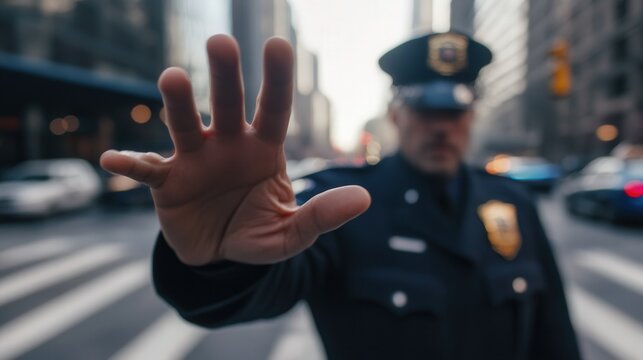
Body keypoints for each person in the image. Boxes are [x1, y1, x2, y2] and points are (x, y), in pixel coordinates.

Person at [100, 31, 581, 360]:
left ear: (472, 116)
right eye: (423, 109)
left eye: (454, 112)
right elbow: (265, 286)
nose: (441, 127)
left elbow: (554, 337)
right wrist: (219, 262)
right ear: (395, 114)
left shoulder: (513, 205)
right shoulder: (341, 205)